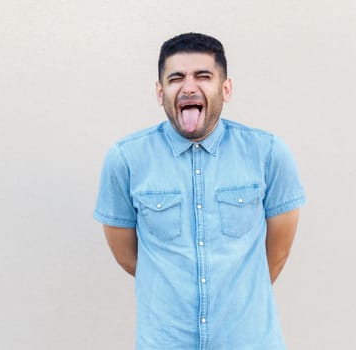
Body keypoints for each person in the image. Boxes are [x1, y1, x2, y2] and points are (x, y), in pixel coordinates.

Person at [94, 32, 307, 350]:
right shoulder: (126, 159)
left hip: (248, 340)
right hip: (165, 341)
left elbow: (277, 252)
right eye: (175, 78)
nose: (188, 87)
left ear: (226, 88)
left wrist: (236, 299)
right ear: (159, 91)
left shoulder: (268, 153)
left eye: (203, 76)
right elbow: (127, 255)